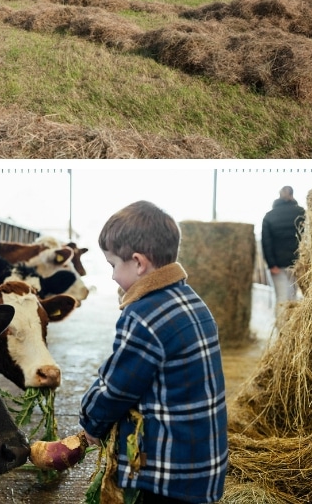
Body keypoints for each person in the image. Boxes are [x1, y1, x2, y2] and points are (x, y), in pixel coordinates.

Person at [80, 200, 227, 504]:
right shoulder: (192, 301)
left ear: (138, 262)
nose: (111, 277)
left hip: (168, 471)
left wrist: (91, 421)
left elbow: (118, 386)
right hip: (203, 461)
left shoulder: (144, 316)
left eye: (112, 265)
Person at [260, 185, 305, 306]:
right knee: (292, 297)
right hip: (296, 263)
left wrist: (271, 264)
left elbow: (266, 242)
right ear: (292, 194)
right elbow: (306, 237)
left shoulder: (269, 216)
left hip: (277, 265)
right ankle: (292, 324)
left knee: (281, 298)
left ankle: (281, 324)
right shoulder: (301, 212)